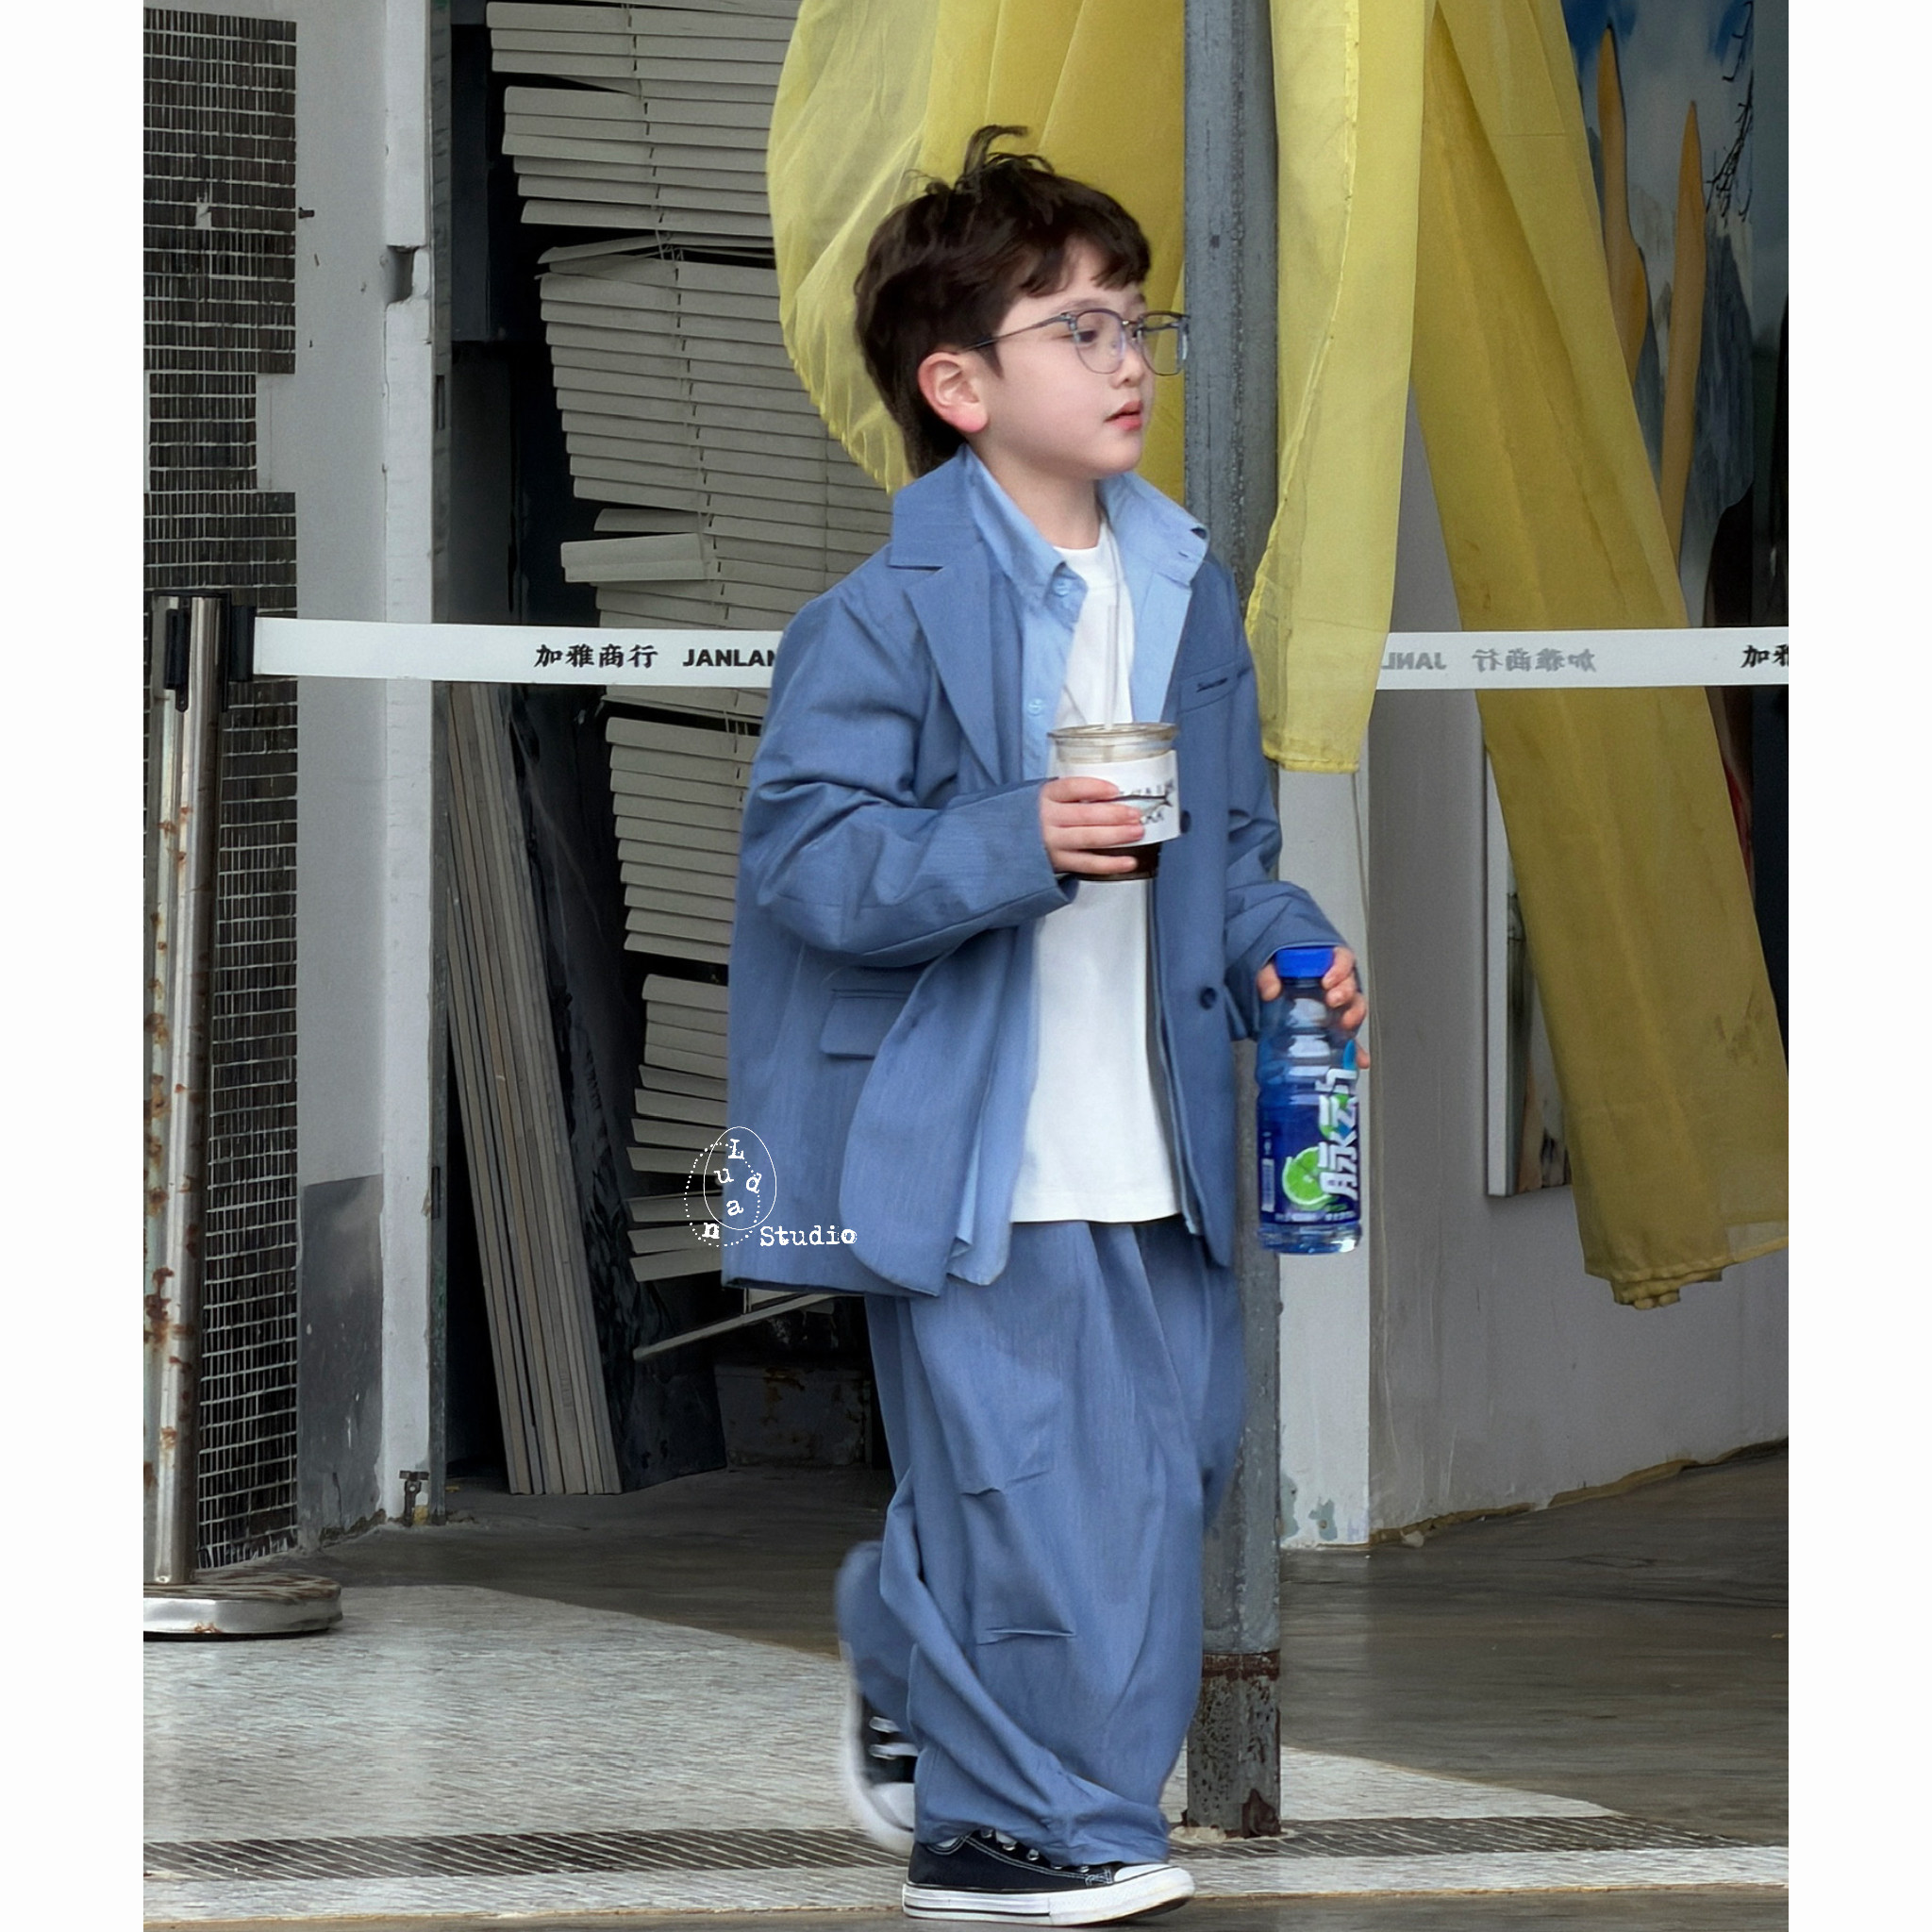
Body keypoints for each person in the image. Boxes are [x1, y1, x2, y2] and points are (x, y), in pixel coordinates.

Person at [724, 126, 1366, 1926]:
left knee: (1165, 1489)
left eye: (1134, 321)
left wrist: (1292, 952)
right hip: (974, 1144)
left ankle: (907, 1646)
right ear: (959, 387)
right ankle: (1007, 1836)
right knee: (1026, 1505)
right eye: (1077, 328)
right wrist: (1014, 842)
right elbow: (807, 862)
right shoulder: (879, 618)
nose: (1125, 358)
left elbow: (1234, 855)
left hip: (1160, 1140)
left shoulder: (1186, 593)